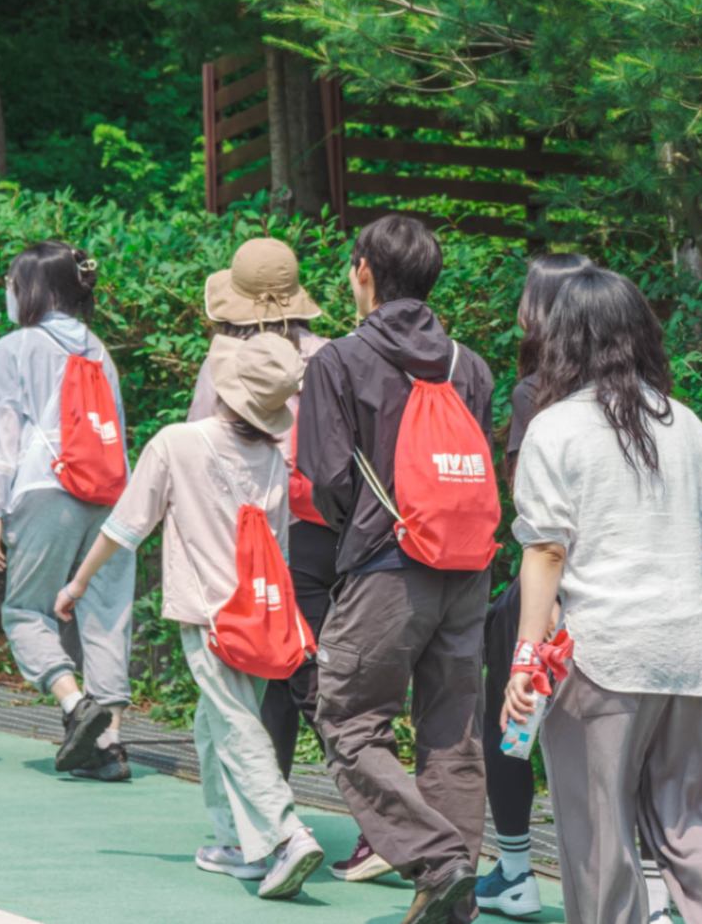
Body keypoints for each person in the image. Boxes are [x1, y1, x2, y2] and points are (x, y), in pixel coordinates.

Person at [502, 268, 702, 924]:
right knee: (700, 835)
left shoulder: (554, 429)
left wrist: (524, 656)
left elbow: (545, 549)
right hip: (693, 656)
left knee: (601, 842)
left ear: (562, 340)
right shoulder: (690, 427)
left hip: (604, 657)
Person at [57, 333, 326, 898]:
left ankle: (286, 831)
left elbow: (126, 526)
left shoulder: (177, 442)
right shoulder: (272, 459)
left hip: (212, 617)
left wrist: (79, 581)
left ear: (224, 390)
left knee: (234, 723)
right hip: (260, 617)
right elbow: (277, 549)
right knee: (214, 725)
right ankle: (238, 843)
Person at [298, 214, 497, 924]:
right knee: (451, 728)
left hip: (388, 563)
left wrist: (368, 527)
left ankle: (435, 860)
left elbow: (324, 477)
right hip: (467, 568)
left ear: (363, 271)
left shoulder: (339, 360)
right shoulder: (468, 364)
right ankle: (453, 887)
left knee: (348, 717)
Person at [476, 252, 604, 921]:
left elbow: (533, 515)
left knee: (509, 722)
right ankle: (645, 887)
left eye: (528, 295)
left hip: (546, 591)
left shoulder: (534, 393)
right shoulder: (627, 395)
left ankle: (517, 868)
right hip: (614, 594)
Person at [0, 240, 136, 782]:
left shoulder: (16, 348)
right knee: (106, 610)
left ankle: (75, 706)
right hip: (114, 494)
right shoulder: (98, 349)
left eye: (15, 284)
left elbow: (1, 433)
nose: (10, 292)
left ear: (35, 290)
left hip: (47, 489)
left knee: (26, 611)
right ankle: (110, 744)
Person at [186, 237, 331, 782]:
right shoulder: (329, 355)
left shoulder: (223, 362)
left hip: (252, 536)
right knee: (309, 665)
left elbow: (204, 453)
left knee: (263, 669)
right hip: (326, 528)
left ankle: (267, 802)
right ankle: (355, 793)